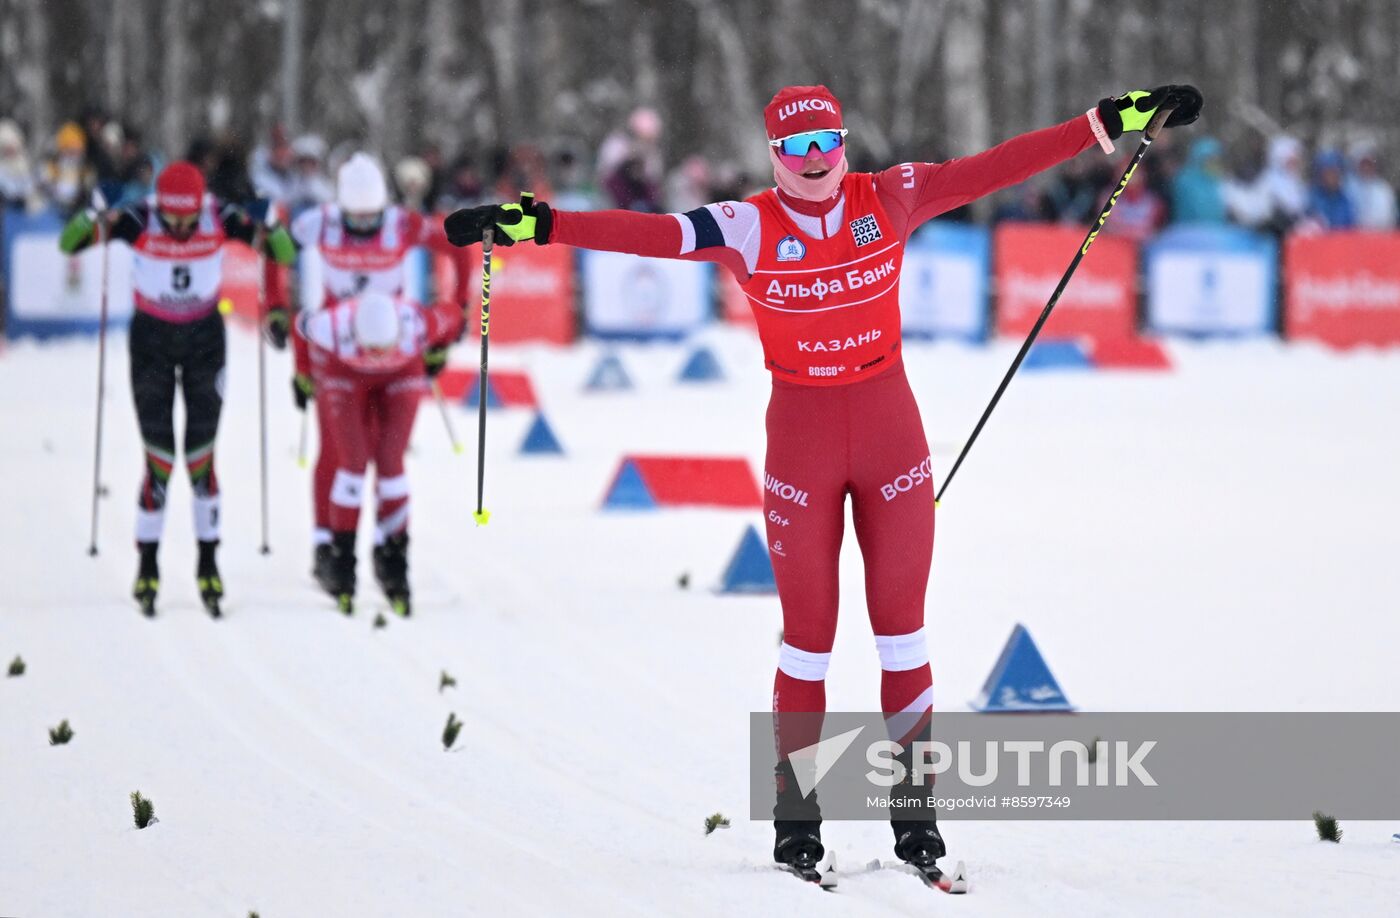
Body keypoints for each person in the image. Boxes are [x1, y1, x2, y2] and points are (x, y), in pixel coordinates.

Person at [445, 83, 1203, 877]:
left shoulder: (893, 194)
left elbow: (997, 167)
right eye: (797, 148)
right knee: (808, 642)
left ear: (843, 143)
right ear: (774, 155)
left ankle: (916, 815)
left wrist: (1107, 121)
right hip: (801, 450)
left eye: (826, 143)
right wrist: (540, 223)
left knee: (902, 634)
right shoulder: (744, 225)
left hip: (892, 445)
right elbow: (650, 234)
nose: (815, 161)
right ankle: (797, 817)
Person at [58, 161, 295, 617]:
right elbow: (68, 244)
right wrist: (92, 212)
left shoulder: (219, 216)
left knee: (202, 458)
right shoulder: (140, 217)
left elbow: (281, 253)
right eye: (174, 218)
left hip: (205, 341)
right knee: (159, 459)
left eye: (189, 218)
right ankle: (148, 565)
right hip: (152, 343)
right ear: (161, 206)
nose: (182, 228)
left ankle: (208, 562)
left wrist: (269, 223)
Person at [264, 152, 470, 605]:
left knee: (387, 453)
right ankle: (327, 545)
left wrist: (459, 307)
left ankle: (385, 546)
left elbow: (457, 245)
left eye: (370, 218)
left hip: (392, 339)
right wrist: (276, 308)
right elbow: (275, 248)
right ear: (340, 208)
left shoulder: (401, 224)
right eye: (353, 219)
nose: (362, 227)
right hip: (340, 344)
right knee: (340, 452)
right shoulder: (320, 223)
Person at [291, 290, 464, 615]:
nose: (376, 356)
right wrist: (302, 373)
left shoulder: (417, 324)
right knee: (352, 464)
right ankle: (342, 560)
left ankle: (394, 559)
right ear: (355, 335)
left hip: (400, 376)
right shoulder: (331, 325)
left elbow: (454, 315)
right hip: (346, 376)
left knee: (391, 463)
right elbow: (299, 325)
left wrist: (440, 350)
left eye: (383, 348)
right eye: (370, 349)